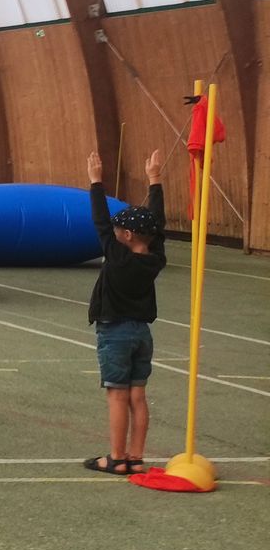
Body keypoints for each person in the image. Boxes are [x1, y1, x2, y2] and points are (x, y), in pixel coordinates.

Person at [83, 148, 166, 475]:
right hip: (141, 334)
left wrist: (95, 182)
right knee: (137, 397)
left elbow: (101, 222)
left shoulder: (118, 257)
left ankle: (116, 458)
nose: (113, 233)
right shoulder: (155, 258)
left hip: (115, 332)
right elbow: (157, 224)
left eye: (119, 231)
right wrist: (155, 181)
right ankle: (135, 456)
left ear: (127, 235)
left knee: (117, 397)